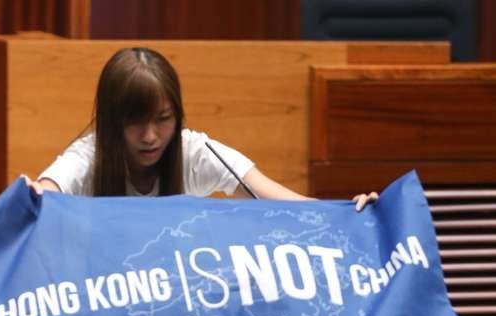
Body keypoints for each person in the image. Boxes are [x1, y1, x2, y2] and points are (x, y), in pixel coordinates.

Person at [23, 47, 378, 210]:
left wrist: (350, 212)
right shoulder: (91, 155)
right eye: (135, 121)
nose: (150, 136)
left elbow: (285, 203)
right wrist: (31, 193)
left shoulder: (195, 152)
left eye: (163, 119)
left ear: (178, 116)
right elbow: (46, 189)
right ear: (114, 121)